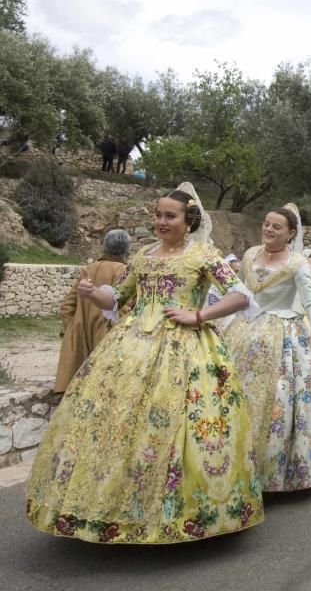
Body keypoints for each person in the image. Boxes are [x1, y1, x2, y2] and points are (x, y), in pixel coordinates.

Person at [26, 187, 263, 543]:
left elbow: (241, 296)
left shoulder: (203, 255)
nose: (161, 222)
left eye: (170, 216)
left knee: (180, 425)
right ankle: (111, 508)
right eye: (157, 215)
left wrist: (199, 314)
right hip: (130, 344)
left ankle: (183, 513)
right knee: (114, 423)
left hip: (186, 348)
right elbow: (117, 296)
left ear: (188, 220)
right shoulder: (143, 255)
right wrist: (93, 293)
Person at [225, 206, 311, 492]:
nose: (269, 230)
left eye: (276, 227)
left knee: (281, 399)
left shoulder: (297, 263)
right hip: (245, 330)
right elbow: (239, 292)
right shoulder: (250, 255)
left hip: (283, 334)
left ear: (290, 233)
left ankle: (275, 470)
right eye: (266, 224)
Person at [54, 229, 132, 393]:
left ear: (104, 247)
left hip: (81, 334)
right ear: (127, 250)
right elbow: (124, 309)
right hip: (107, 336)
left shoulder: (88, 269)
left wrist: (73, 330)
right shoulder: (125, 272)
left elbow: (67, 306)